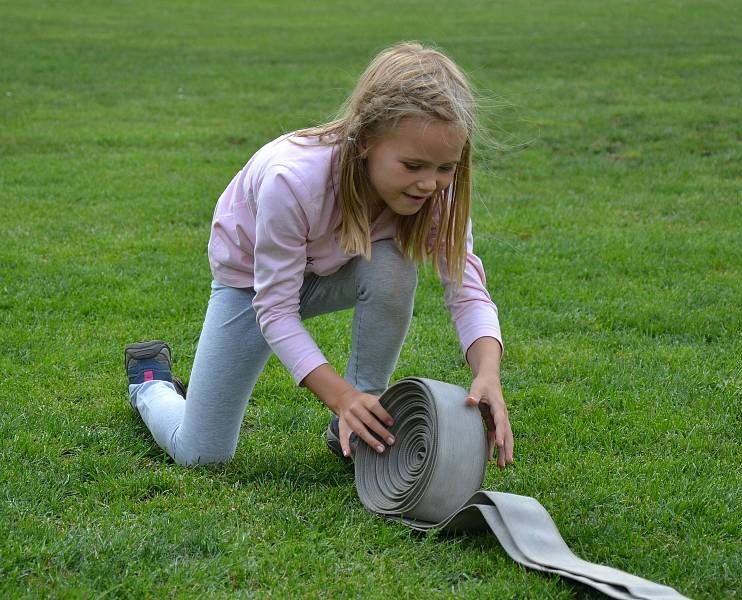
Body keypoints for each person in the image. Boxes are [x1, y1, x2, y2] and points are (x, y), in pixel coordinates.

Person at [124, 41, 514, 469]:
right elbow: (274, 309)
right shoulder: (292, 181)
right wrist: (339, 396)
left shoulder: (439, 185)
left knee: (392, 268)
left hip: (336, 266)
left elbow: (467, 291)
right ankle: (150, 382)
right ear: (366, 141)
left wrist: (487, 374)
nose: (430, 183)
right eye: (413, 166)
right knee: (201, 454)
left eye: (445, 168)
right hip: (252, 284)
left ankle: (360, 420)